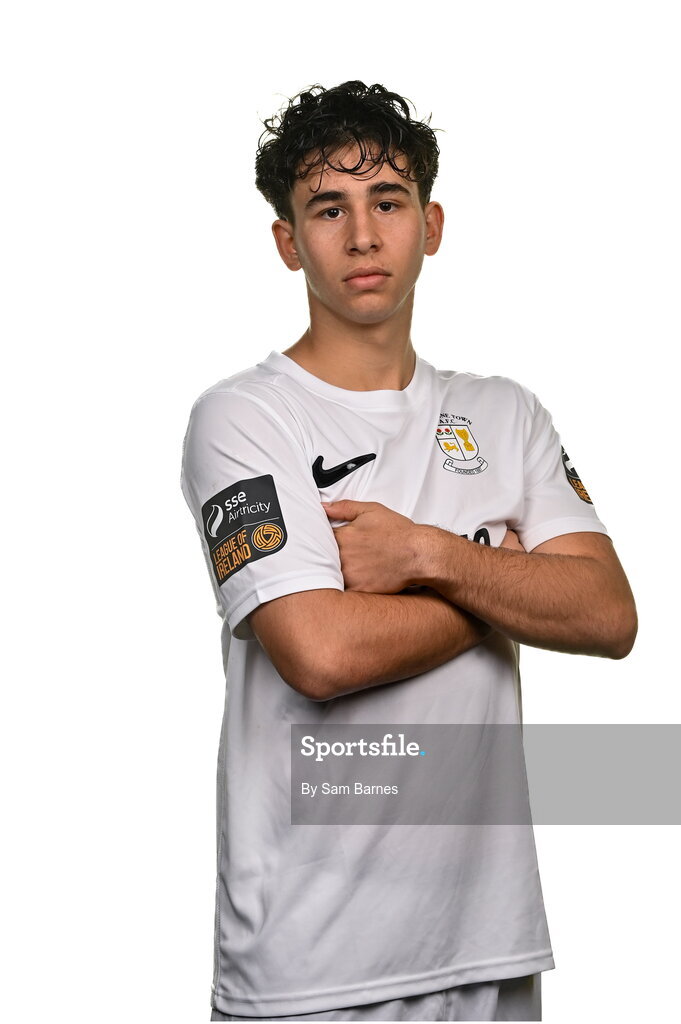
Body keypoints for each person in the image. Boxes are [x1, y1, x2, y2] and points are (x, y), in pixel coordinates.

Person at [180, 81, 637, 1023]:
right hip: (311, 967)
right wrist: (505, 578)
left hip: (490, 947)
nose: (360, 235)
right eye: (327, 208)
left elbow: (607, 615)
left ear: (429, 225)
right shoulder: (242, 419)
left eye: (386, 202)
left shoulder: (506, 414)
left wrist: (430, 555)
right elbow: (321, 652)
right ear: (286, 241)